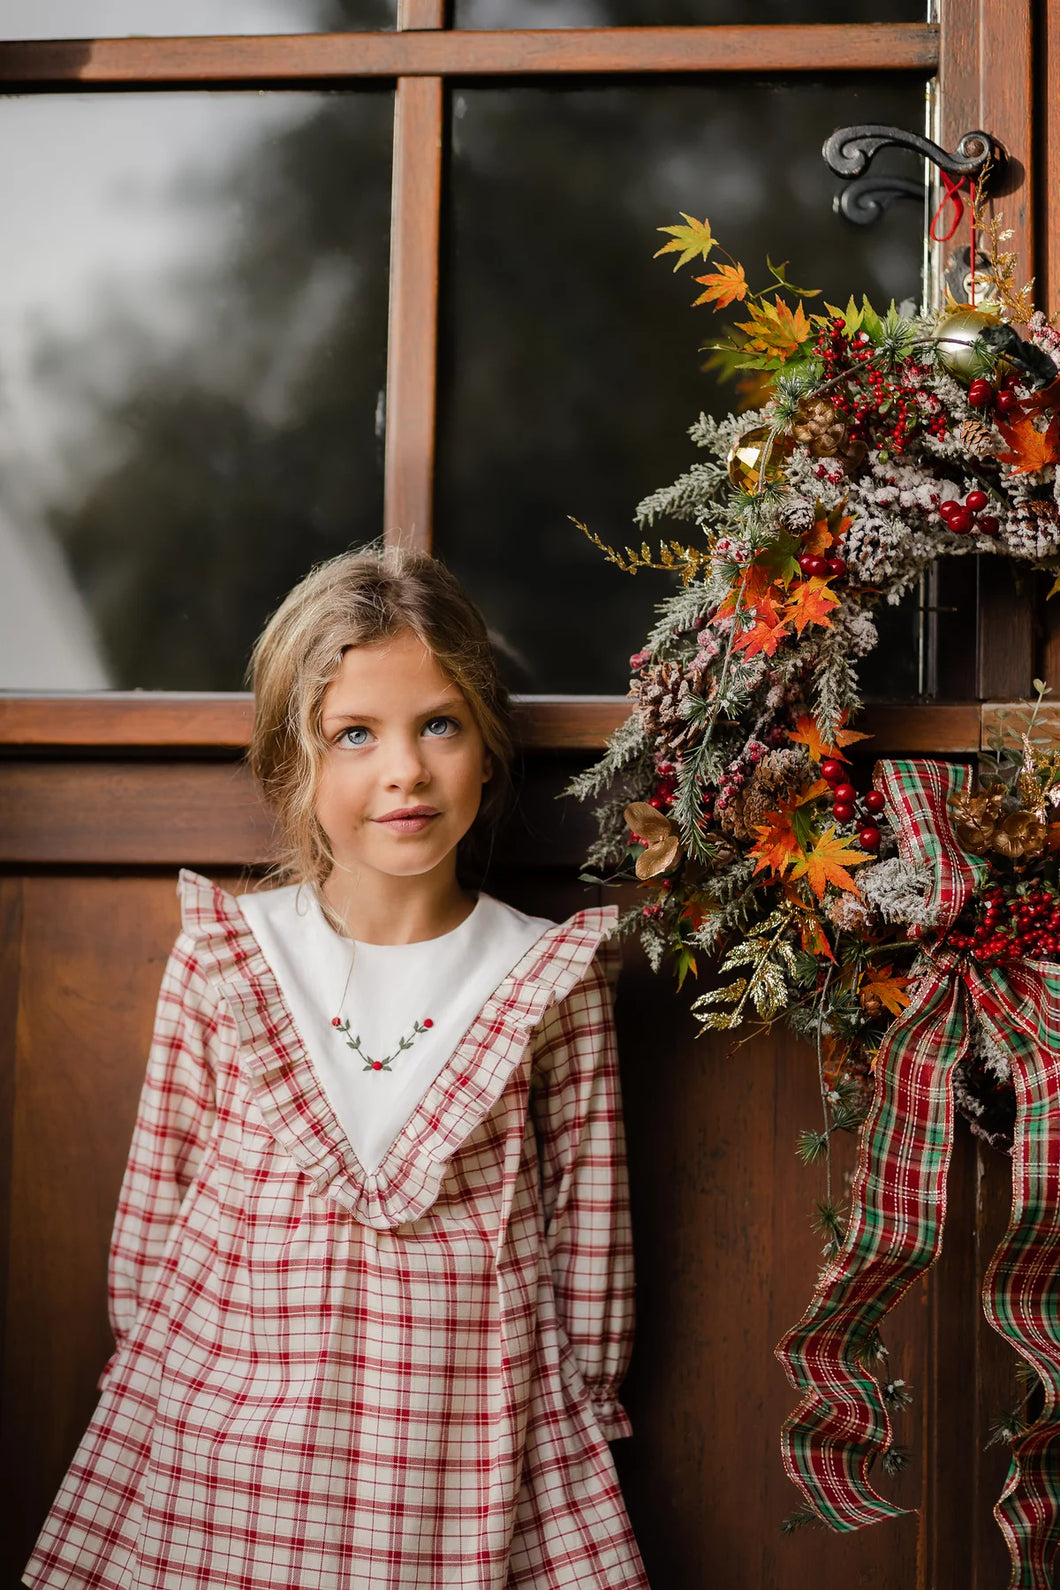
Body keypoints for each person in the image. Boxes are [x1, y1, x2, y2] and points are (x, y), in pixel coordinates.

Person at [23, 547, 648, 1590]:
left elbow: (592, 1257)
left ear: (488, 750)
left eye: (437, 725)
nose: (403, 770)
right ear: (292, 768)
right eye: (353, 735)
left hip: (456, 1456)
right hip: (229, 1450)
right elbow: (153, 1224)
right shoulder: (231, 960)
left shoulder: (547, 981)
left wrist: (562, 1415)